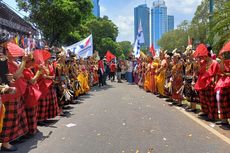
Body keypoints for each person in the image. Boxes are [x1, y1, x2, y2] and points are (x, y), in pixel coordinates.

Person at [0, 33, 28, 151]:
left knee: (12, 119)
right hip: (7, 94)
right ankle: (5, 143)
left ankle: (9, 139)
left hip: (11, 92)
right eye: (8, 42)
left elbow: (13, 76)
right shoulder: (4, 59)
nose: (10, 44)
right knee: (7, 119)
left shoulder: (7, 59)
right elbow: (13, 77)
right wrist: (24, 62)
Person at [194, 44, 219, 121]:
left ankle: (212, 115)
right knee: (202, 98)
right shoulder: (202, 62)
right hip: (201, 83)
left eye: (203, 55)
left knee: (210, 100)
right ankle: (205, 111)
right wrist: (197, 64)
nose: (202, 57)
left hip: (210, 84)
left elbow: (217, 74)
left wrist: (215, 82)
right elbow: (198, 72)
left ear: (207, 54)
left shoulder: (215, 63)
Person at [215, 42, 230, 125]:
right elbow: (221, 70)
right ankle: (224, 118)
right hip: (224, 82)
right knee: (222, 98)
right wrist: (222, 60)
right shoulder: (225, 61)